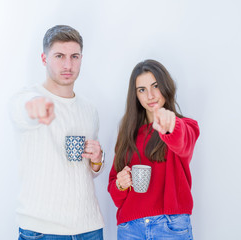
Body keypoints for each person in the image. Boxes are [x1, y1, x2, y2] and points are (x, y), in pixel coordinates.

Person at [10, 25, 105, 240]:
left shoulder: (90, 109)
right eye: (59, 56)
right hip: (42, 231)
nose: (68, 65)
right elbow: (21, 110)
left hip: (89, 228)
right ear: (44, 59)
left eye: (74, 56)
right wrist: (34, 107)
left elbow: (92, 170)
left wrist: (98, 158)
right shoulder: (29, 97)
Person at [108, 59, 200, 239]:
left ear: (165, 86)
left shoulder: (184, 126)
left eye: (155, 86)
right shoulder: (127, 135)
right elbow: (115, 191)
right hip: (130, 228)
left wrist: (169, 124)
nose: (150, 95)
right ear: (136, 95)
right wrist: (121, 184)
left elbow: (182, 142)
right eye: (142, 90)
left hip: (170, 226)